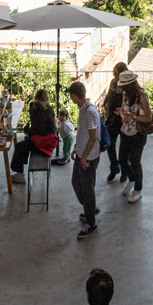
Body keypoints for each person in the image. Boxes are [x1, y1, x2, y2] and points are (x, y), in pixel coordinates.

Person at [115, 71, 152, 204]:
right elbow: (123, 110)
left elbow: (149, 117)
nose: (122, 89)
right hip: (125, 131)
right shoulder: (125, 94)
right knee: (122, 160)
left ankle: (138, 189)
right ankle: (132, 179)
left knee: (135, 161)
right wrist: (122, 114)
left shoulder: (142, 97)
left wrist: (133, 117)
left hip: (138, 133)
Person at [70, 82, 101, 239]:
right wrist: (77, 148)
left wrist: (83, 158)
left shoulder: (89, 112)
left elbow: (93, 138)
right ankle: (90, 208)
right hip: (82, 154)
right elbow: (83, 133)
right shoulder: (83, 109)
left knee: (87, 189)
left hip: (88, 158)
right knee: (76, 182)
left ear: (74, 96)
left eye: (71, 94)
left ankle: (91, 223)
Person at [11, 88, 58, 184]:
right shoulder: (50, 109)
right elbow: (55, 127)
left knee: (20, 146)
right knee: (26, 143)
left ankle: (19, 174)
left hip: (40, 144)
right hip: (51, 143)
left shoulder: (33, 106)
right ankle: (20, 174)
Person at [102, 61, 128, 182]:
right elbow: (108, 96)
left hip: (123, 119)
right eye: (113, 73)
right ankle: (114, 167)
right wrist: (107, 107)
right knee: (110, 143)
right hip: (112, 118)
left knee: (124, 147)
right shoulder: (113, 82)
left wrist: (122, 110)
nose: (114, 76)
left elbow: (131, 102)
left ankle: (124, 171)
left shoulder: (127, 85)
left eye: (116, 74)